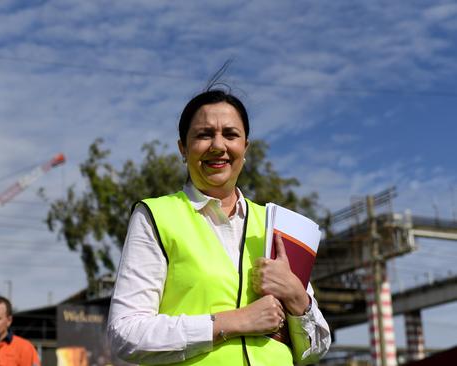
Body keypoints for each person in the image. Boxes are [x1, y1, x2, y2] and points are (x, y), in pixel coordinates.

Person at [107, 89, 331, 365]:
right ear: (183, 149)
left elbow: (316, 348)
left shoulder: (277, 226)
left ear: (245, 147)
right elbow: (125, 333)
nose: (218, 145)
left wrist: (296, 296)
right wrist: (232, 322)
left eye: (230, 134)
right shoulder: (155, 215)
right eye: (204, 134)